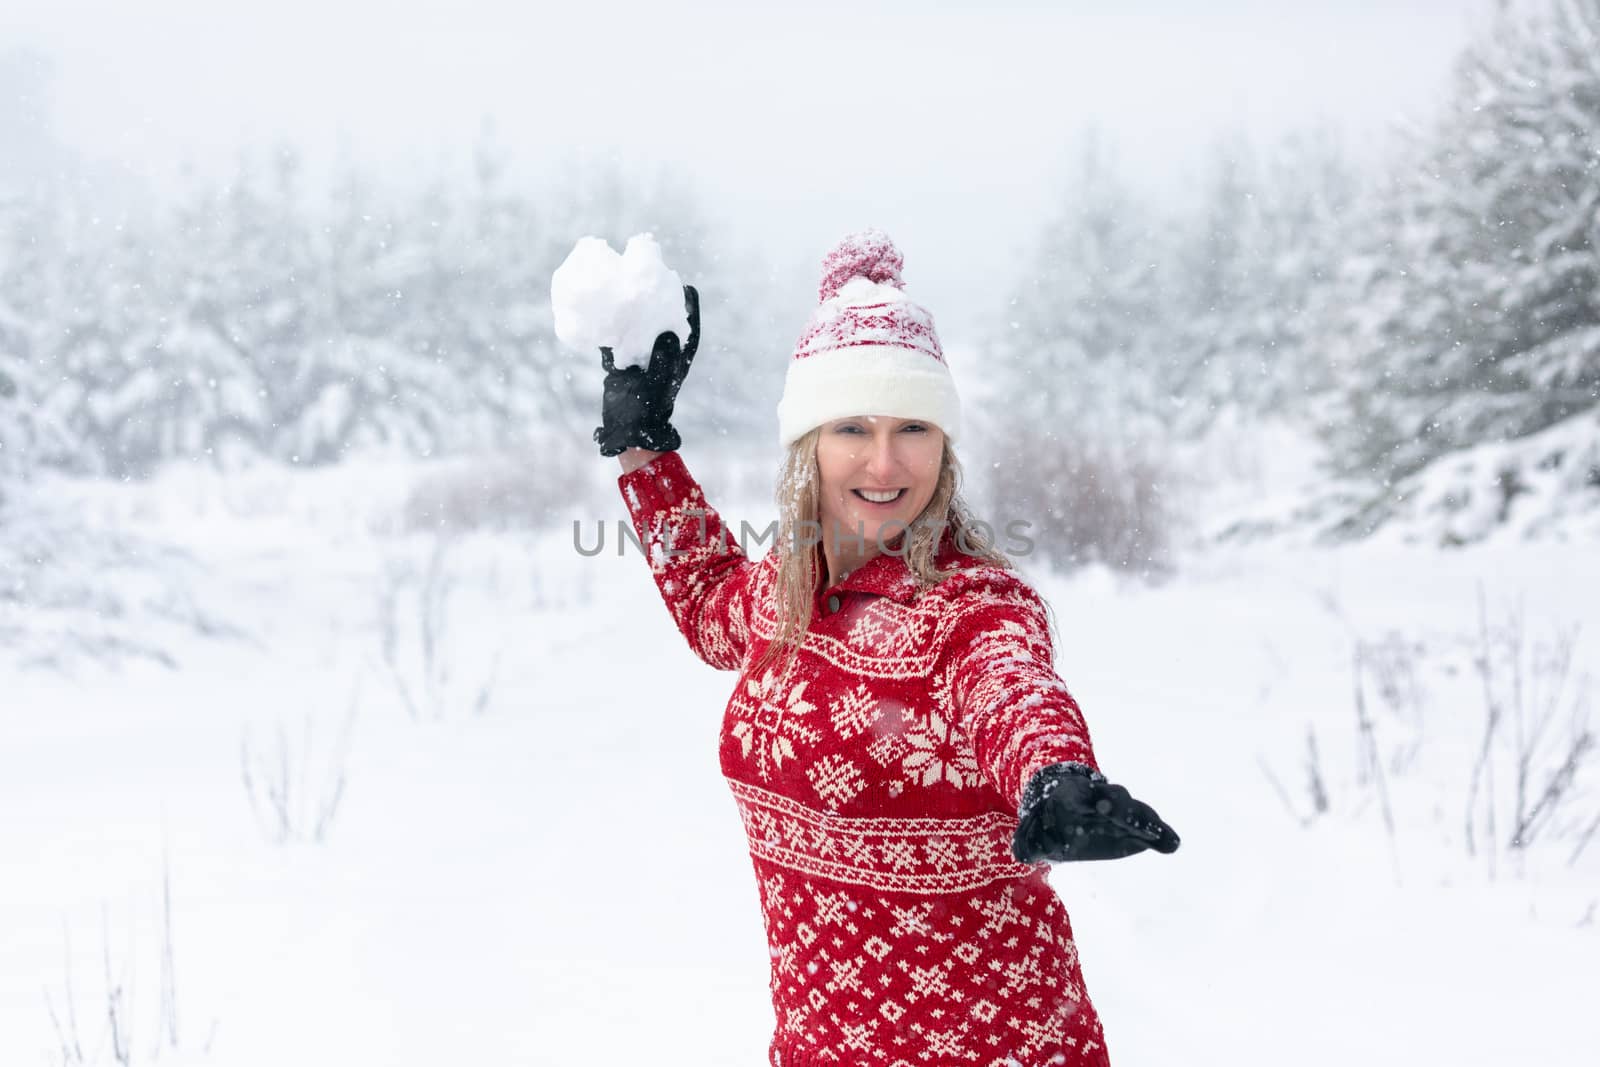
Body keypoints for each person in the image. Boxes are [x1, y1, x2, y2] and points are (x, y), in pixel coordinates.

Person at [594, 229, 1179, 1067]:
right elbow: (706, 601)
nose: (883, 461)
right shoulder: (784, 592)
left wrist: (1054, 775)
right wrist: (643, 448)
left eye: (913, 426)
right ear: (808, 446)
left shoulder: (972, 606)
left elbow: (1012, 689)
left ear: (944, 448)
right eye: (851, 428)